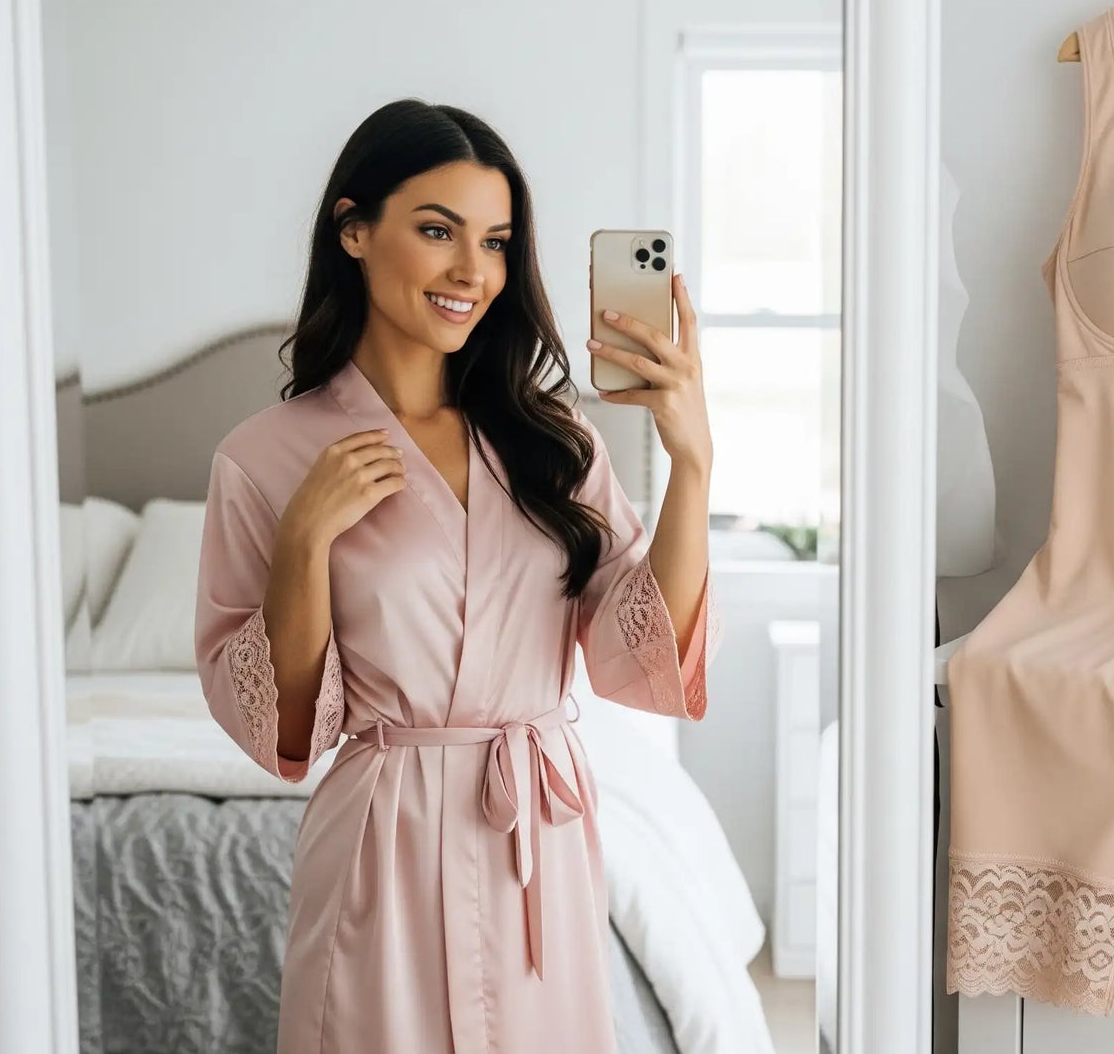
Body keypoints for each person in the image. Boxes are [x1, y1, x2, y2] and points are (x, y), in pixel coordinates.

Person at [192, 98, 720, 1053]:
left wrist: (694, 463)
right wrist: (303, 542)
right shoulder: (263, 458)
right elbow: (285, 731)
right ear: (354, 229)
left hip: (539, 842)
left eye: (497, 241)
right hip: (381, 845)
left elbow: (637, 654)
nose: (473, 271)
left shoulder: (552, 441)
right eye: (438, 231)